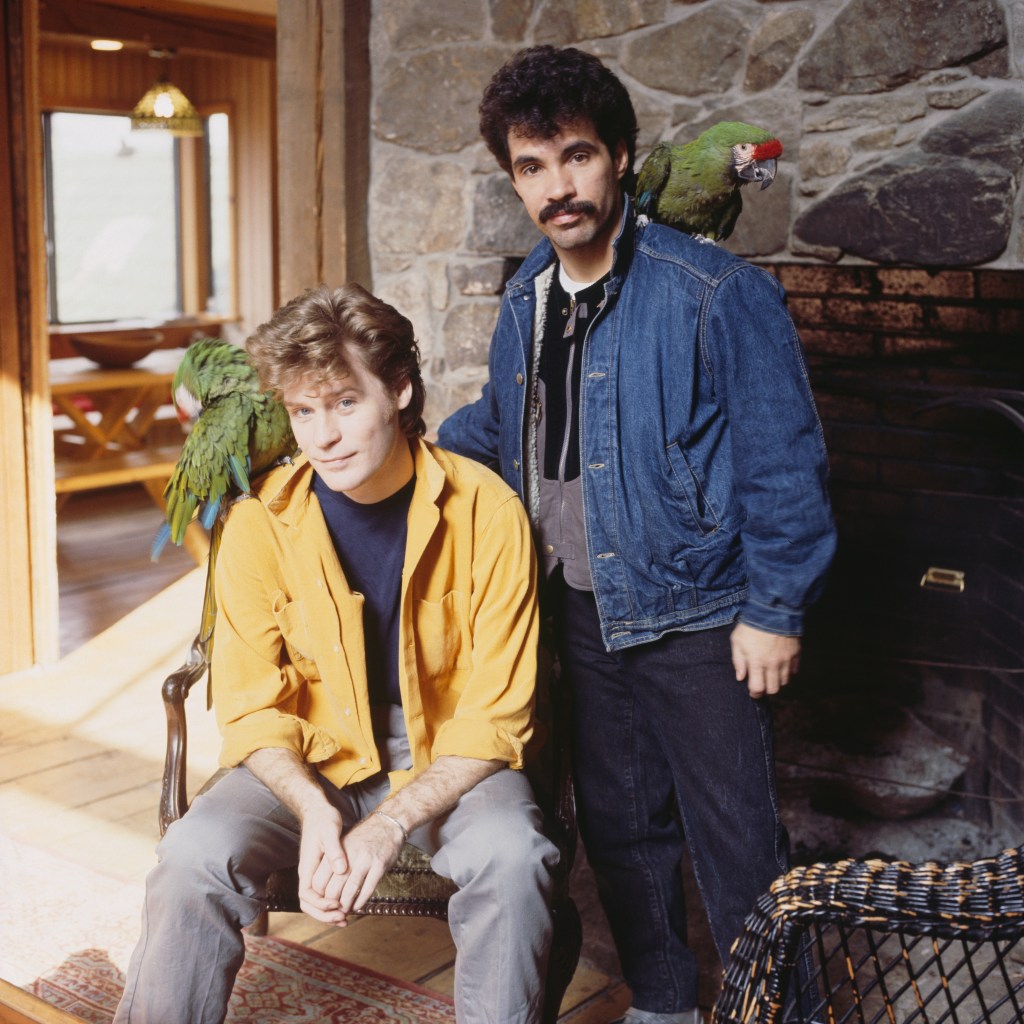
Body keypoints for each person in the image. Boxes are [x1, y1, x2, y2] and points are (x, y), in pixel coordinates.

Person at [437, 45, 837, 1024]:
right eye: (531, 167)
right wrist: (395, 461)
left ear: (620, 156)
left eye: (574, 156)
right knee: (619, 826)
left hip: (699, 605)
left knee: (736, 839)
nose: (556, 186)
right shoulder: (526, 295)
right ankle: (664, 1001)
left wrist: (774, 607)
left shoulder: (712, 289)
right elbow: (499, 425)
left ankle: (779, 1012)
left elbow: (784, 458)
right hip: (577, 603)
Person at [114, 283, 558, 1024]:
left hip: (447, 756)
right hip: (310, 755)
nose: (323, 436)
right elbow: (254, 707)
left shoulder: (489, 512)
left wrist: (385, 826)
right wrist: (314, 811)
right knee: (194, 855)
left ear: (399, 391)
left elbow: (497, 716)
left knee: (517, 860)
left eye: (345, 402)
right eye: (303, 411)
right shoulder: (258, 523)